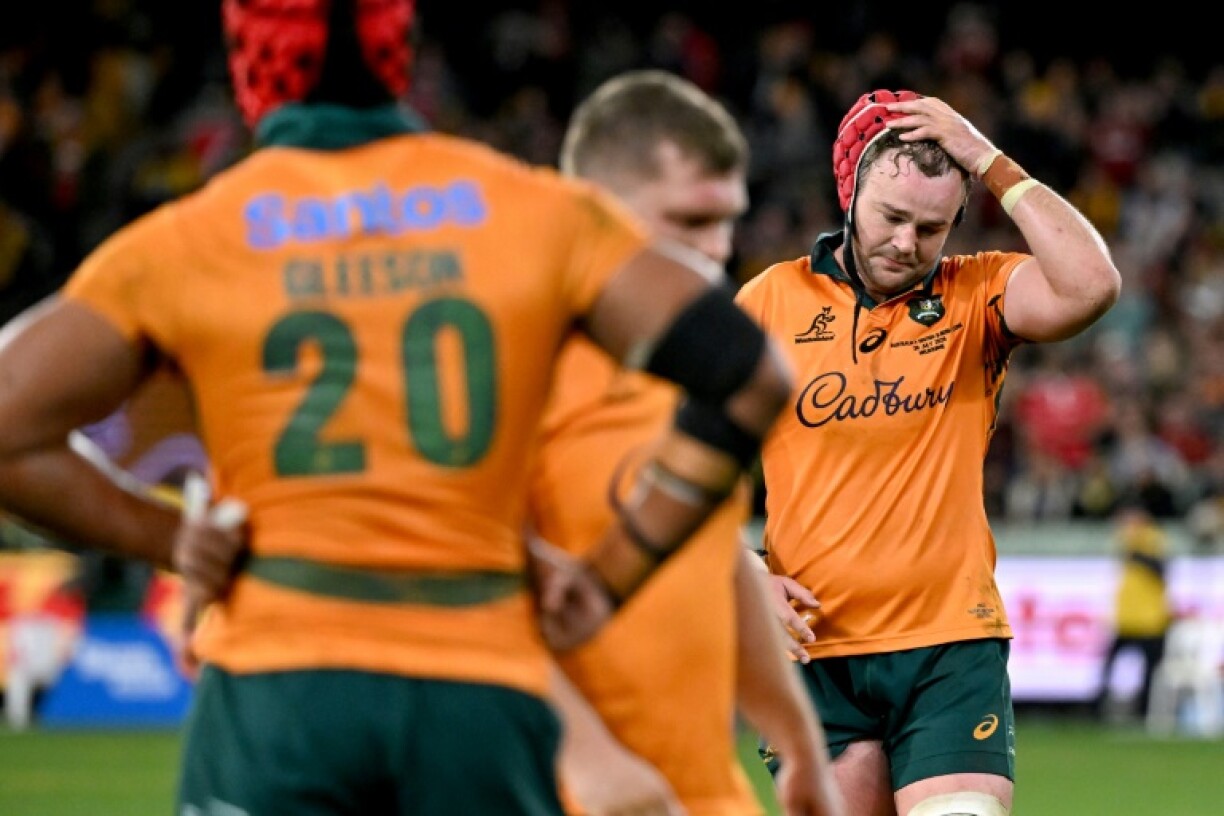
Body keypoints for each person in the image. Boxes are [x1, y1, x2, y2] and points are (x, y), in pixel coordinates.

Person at [0, 2, 796, 814]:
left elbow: (7, 421)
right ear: (403, 53)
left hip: (281, 679)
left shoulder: (187, 241)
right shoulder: (534, 210)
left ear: (248, 60)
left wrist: (171, 539)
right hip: (477, 687)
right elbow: (751, 376)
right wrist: (611, 575)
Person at [736, 88, 1122, 816]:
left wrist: (988, 158)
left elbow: (1091, 284)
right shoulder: (769, 302)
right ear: (849, 193)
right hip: (816, 653)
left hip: (951, 645)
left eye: (931, 227)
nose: (907, 243)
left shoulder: (978, 293)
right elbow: (679, 454)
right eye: (891, 217)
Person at [531, 69, 842, 816]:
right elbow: (458, 587)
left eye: (727, 221)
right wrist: (591, 759)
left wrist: (798, 744)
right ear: (591, 210)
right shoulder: (515, 367)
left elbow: (717, 558)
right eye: (688, 221)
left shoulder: (702, 376)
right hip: (563, 792)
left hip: (703, 792)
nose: (716, 252)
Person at [1093, 501, 1172, 723]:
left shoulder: (1152, 538)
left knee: (1148, 672)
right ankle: (1099, 710)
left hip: (1150, 620)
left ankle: (1143, 712)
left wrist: (1135, 552)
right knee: (1110, 665)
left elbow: (1161, 568)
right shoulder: (1127, 541)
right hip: (1128, 619)